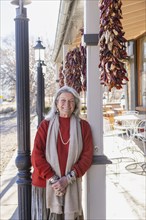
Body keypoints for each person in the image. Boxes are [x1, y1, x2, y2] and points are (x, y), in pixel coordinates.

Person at [31, 85, 93, 220]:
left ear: (76, 104)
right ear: (56, 103)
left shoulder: (83, 127)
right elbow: (36, 156)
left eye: (71, 101)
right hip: (45, 184)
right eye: (63, 100)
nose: (67, 104)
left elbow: (87, 157)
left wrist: (67, 179)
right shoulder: (45, 125)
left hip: (71, 185)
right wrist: (55, 180)